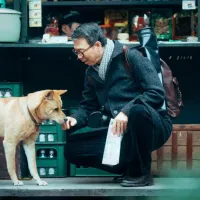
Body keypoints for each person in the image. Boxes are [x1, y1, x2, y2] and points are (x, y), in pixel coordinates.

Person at [64, 22, 172, 187]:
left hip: (151, 124)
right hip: (119, 131)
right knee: (73, 149)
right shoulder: (92, 72)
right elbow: (88, 106)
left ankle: (142, 173)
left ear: (98, 45)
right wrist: (75, 119)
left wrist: (126, 111)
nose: (79, 56)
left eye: (81, 51)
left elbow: (156, 92)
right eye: (76, 52)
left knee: (137, 111)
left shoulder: (130, 56)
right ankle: (129, 166)